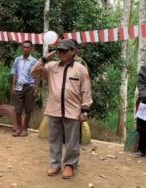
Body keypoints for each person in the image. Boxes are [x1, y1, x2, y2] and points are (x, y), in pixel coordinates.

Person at [30, 39, 92, 179]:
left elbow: (86, 91)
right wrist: (44, 59)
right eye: (59, 50)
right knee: (54, 139)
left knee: (72, 141)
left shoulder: (80, 69)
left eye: (64, 50)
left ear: (73, 51)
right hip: (54, 110)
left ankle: (70, 165)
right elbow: (34, 72)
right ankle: (55, 165)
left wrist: (85, 110)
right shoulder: (51, 67)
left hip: (72, 111)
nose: (61, 53)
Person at [11, 40, 38, 137]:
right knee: (18, 109)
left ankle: (25, 129)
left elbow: (36, 76)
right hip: (19, 85)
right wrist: (13, 85)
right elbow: (14, 72)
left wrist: (36, 89)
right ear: (22, 48)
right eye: (24, 47)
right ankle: (18, 128)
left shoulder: (34, 61)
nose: (25, 49)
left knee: (28, 110)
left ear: (31, 49)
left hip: (29, 86)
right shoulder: (17, 60)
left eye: (27, 47)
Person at [135, 65, 146, 157]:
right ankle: (142, 150)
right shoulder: (144, 69)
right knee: (142, 127)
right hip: (145, 102)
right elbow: (140, 83)